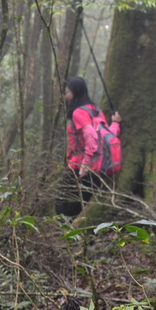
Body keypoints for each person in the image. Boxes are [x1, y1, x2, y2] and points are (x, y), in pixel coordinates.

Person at [55, 77, 121, 217]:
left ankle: (63, 229)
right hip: (98, 166)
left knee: (61, 197)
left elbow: (91, 136)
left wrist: (85, 166)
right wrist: (115, 124)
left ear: (75, 93)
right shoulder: (95, 110)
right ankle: (75, 229)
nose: (65, 96)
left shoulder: (78, 112)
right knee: (83, 200)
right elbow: (106, 135)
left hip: (80, 165)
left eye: (67, 92)